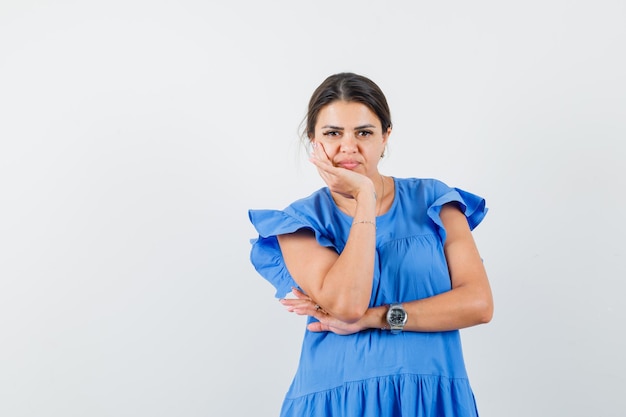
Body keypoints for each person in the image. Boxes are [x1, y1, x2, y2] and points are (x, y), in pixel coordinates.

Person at [248, 72, 493, 416]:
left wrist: (378, 318)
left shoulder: (435, 201)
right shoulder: (299, 222)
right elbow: (347, 305)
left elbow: (479, 304)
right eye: (333, 133)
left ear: (385, 136)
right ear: (313, 141)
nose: (349, 146)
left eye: (364, 132)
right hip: (338, 403)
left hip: (432, 397)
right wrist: (365, 195)